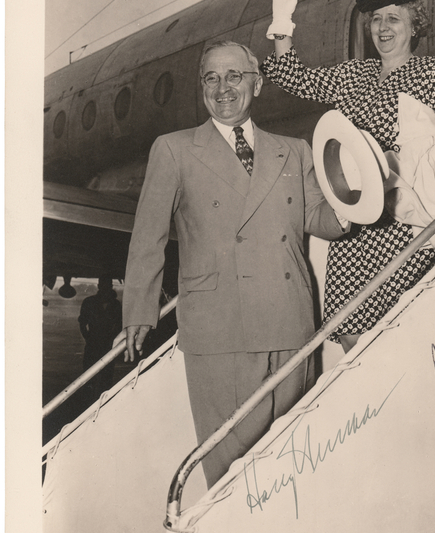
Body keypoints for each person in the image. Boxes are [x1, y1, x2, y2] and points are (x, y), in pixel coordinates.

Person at [121, 40, 347, 488]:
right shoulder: (174, 149)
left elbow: (316, 217)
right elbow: (148, 237)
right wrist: (138, 311)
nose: (224, 88)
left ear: (257, 83)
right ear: (202, 88)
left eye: (235, 76)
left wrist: (354, 202)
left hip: (290, 322)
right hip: (219, 329)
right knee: (228, 472)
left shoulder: (294, 150)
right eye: (212, 78)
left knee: (293, 466)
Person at [262, 0, 435, 353]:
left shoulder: (434, 73)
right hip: (355, 223)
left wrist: (406, 167)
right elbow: (296, 80)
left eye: (393, 18)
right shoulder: (356, 74)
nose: (382, 27)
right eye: (376, 19)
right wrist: (282, 25)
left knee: (400, 333)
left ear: (415, 26)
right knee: (351, 331)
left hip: (405, 222)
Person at [78, 275, 122, 395]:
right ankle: (87, 401)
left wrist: (112, 340)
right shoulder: (89, 302)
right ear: (99, 286)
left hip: (107, 345)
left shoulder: (116, 305)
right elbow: (82, 323)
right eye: (103, 285)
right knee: (88, 377)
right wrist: (88, 338)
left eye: (108, 286)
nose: (105, 288)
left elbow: (119, 325)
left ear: (111, 287)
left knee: (106, 378)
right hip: (93, 344)